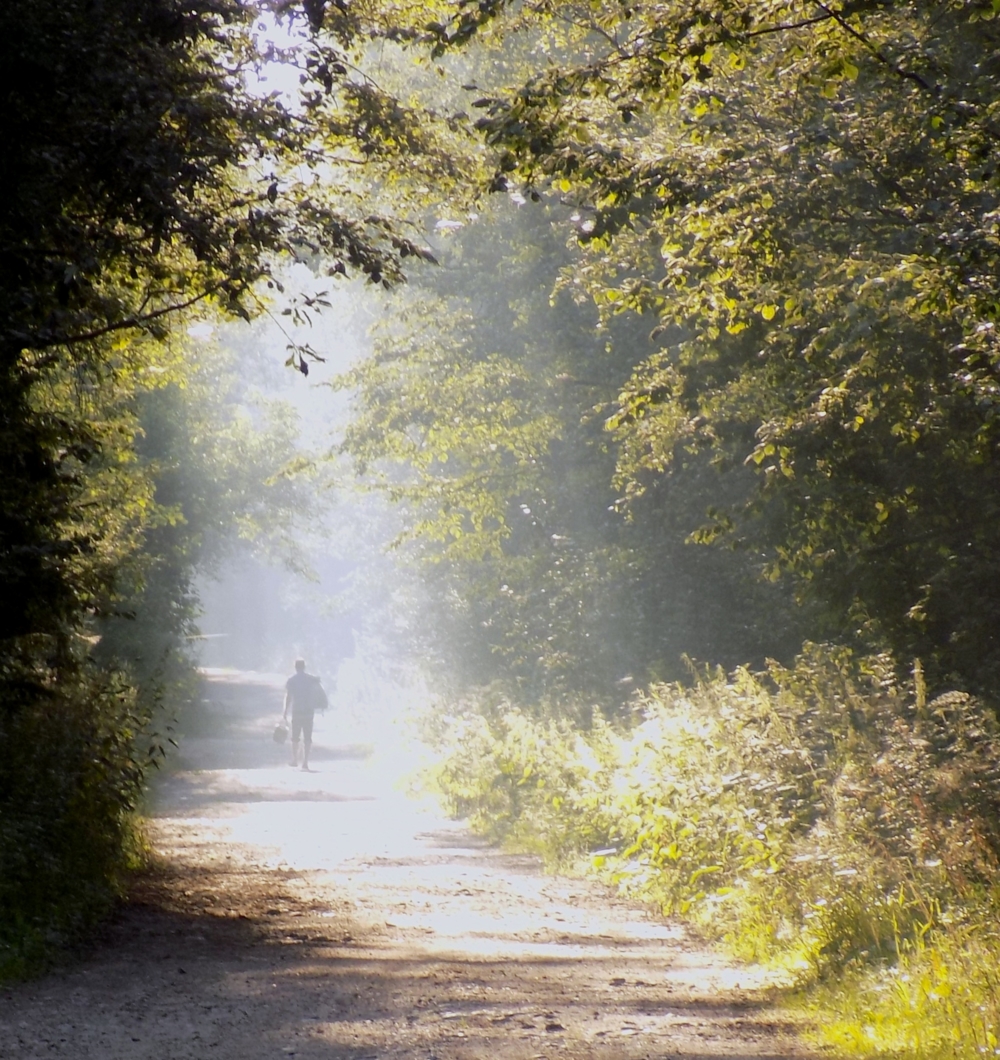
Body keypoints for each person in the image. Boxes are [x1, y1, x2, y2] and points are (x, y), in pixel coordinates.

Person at [283, 658, 325, 771]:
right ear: (304, 667)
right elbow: (318, 692)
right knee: (307, 737)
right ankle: (305, 762)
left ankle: (295, 759)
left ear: (295, 667)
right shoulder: (311, 679)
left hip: (297, 711)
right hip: (309, 711)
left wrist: (285, 712)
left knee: (295, 737)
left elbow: (289, 697)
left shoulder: (291, 680)